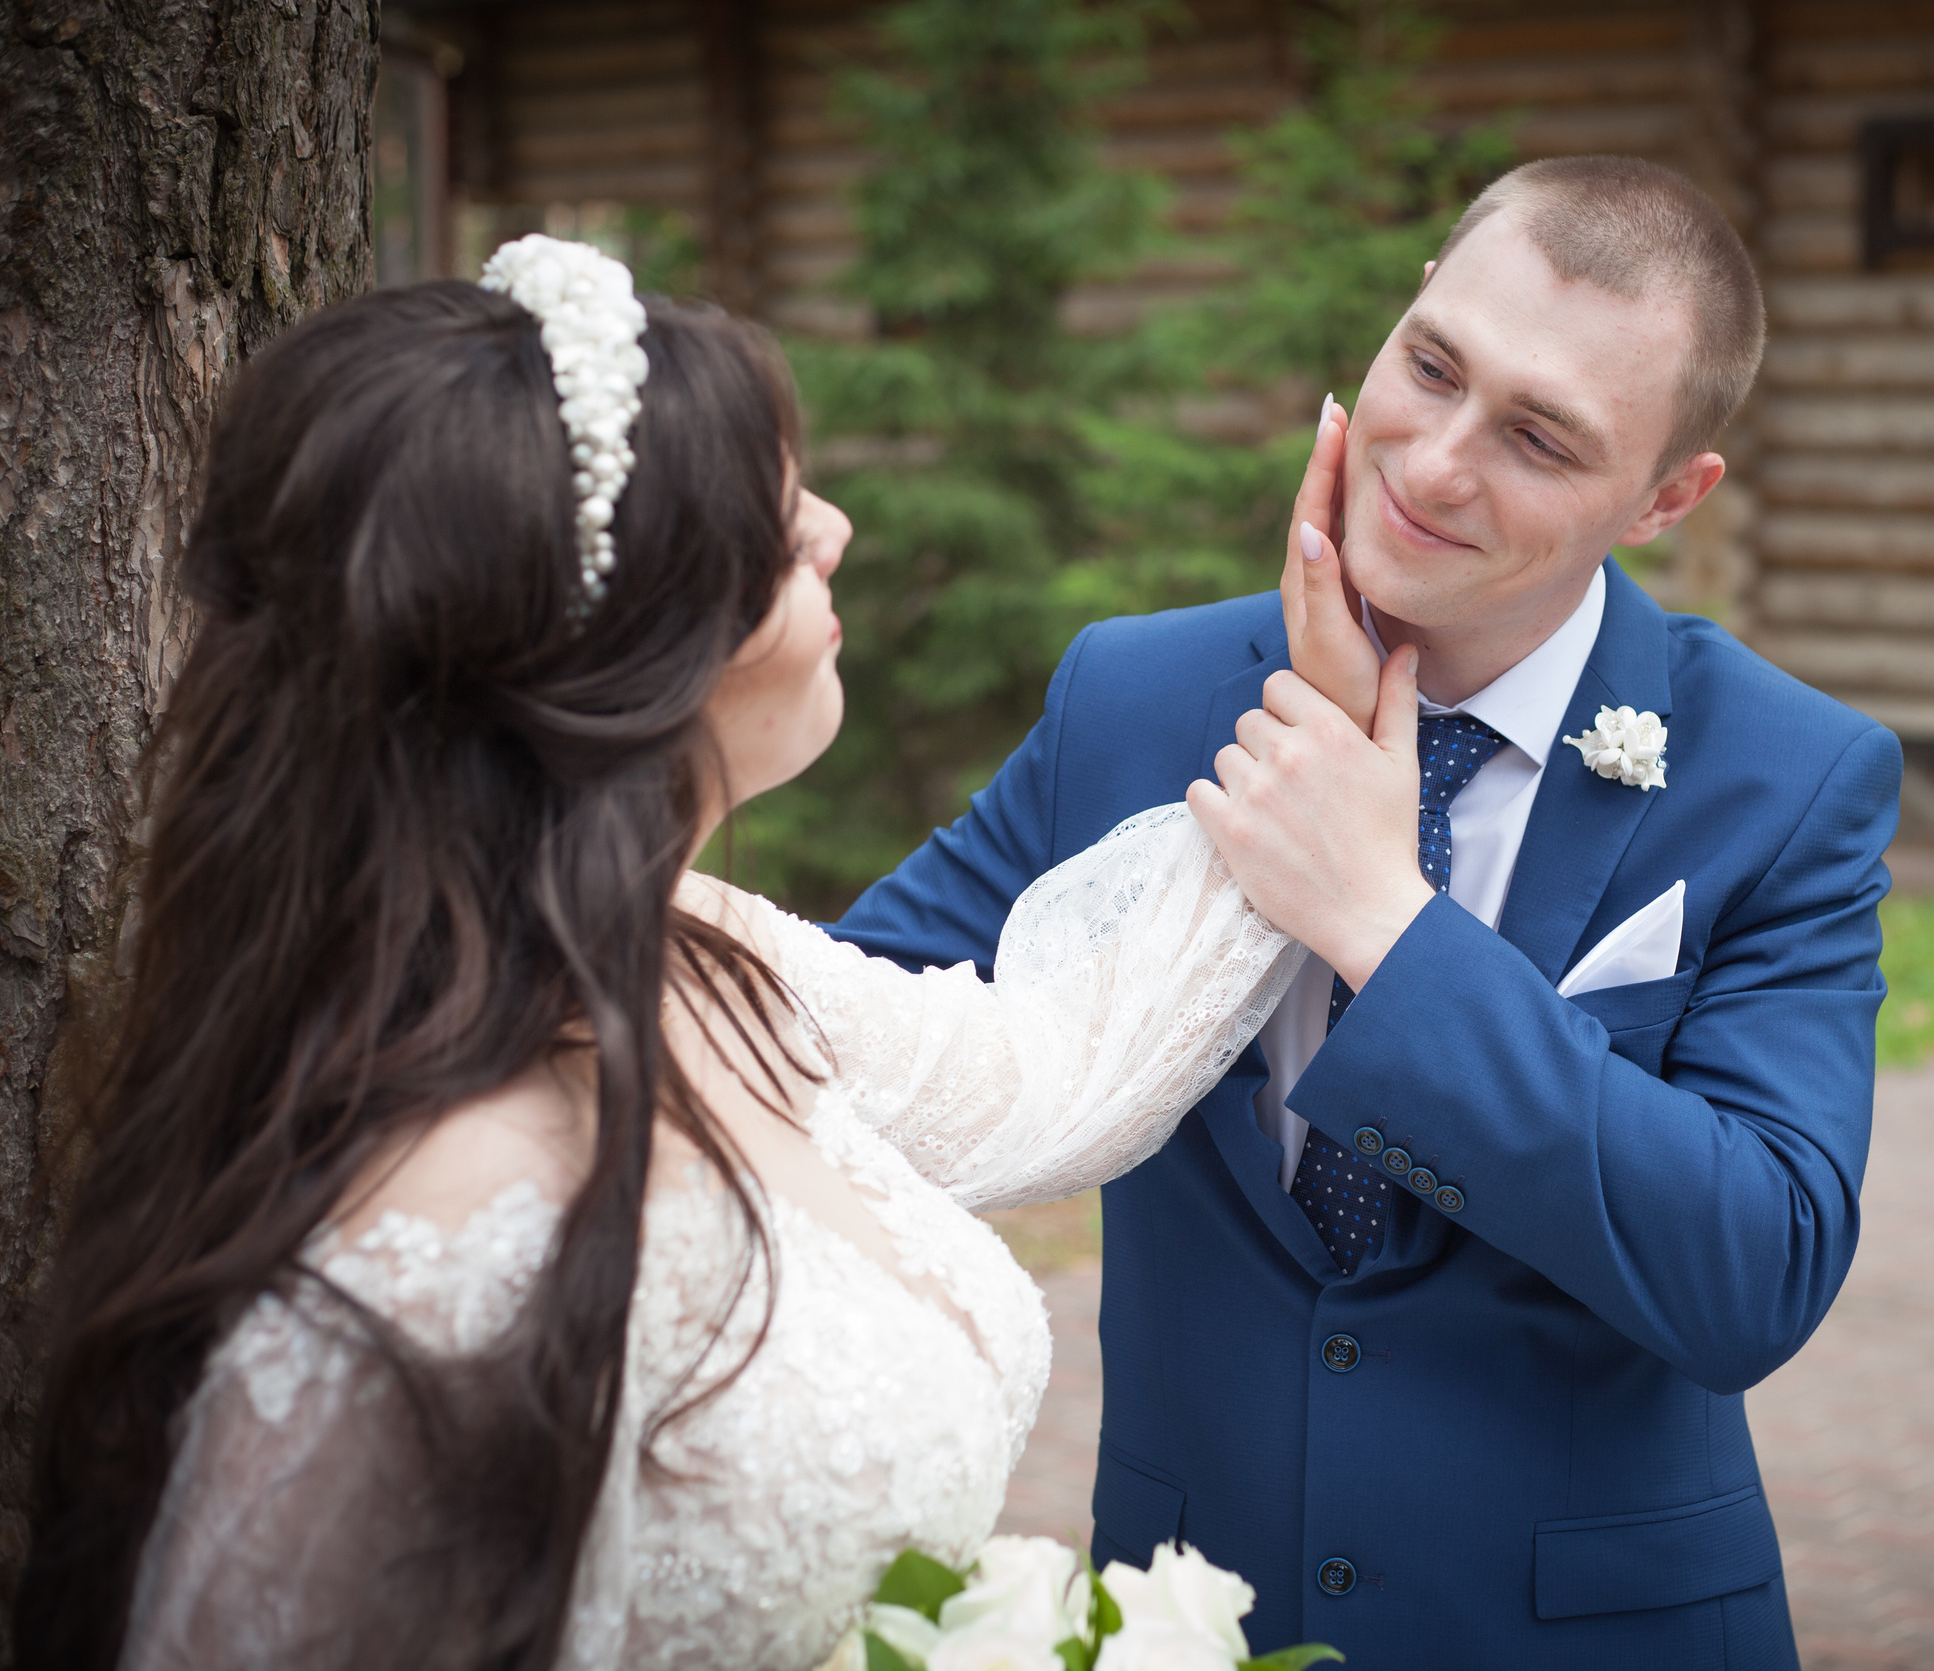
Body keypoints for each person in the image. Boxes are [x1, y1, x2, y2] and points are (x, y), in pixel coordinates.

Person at [14, 239, 1406, 1671]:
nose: (840, 530)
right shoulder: (428, 1249)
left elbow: (1048, 1072)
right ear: (637, 646)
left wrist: (1323, 741)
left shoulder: (690, 952)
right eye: (780, 523)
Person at [835, 155, 1903, 1666]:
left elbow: (1754, 1267)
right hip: (1189, 1619)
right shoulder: (1132, 699)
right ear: (1403, 314)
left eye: (1539, 437)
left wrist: (1389, 932)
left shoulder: (1788, 776)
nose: (1437, 461)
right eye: (1432, 367)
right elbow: (824, 1043)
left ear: (1670, 496)